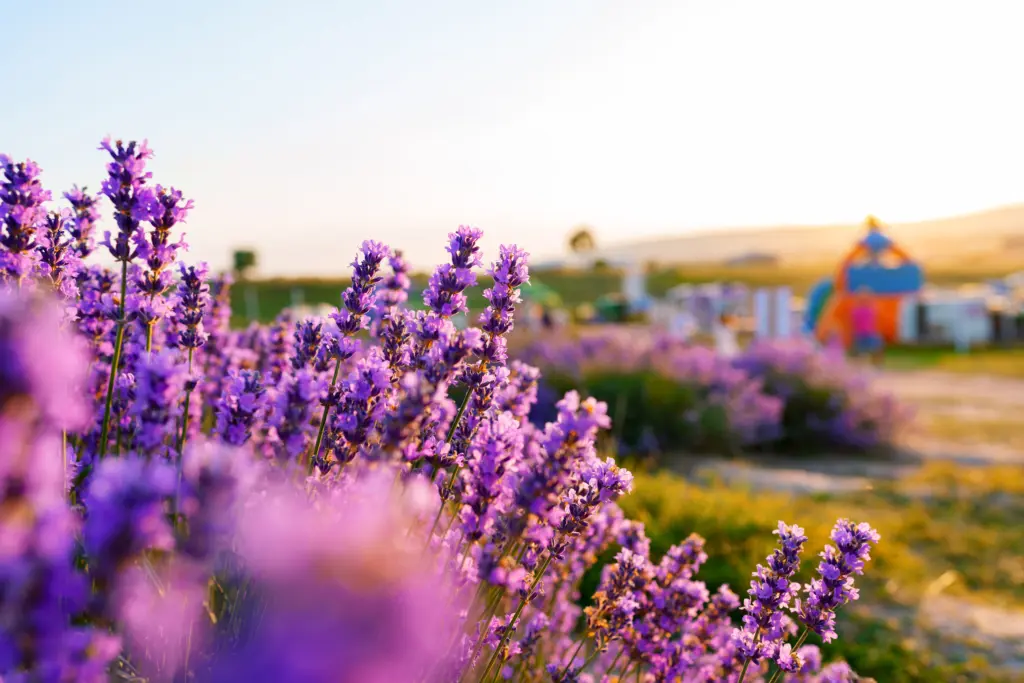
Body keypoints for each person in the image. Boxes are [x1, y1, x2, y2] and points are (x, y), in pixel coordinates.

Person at [850, 289, 884, 365]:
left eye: (866, 299)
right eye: (862, 299)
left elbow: (873, 323)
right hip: (860, 334)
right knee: (859, 351)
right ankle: (859, 363)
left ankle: (877, 364)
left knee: (877, 347)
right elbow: (854, 324)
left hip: (869, 334)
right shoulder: (856, 311)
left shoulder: (870, 310)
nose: (864, 301)